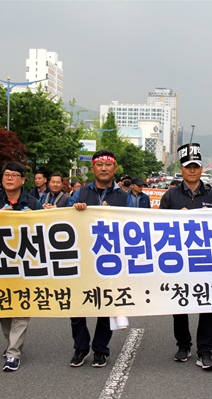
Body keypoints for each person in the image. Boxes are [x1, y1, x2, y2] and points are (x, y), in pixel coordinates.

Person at [159, 142, 212, 371]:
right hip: (179, 260)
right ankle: (183, 345)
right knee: (180, 302)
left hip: (206, 260)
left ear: (202, 168)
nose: (192, 170)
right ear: (181, 169)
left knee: (207, 305)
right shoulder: (171, 196)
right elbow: (157, 226)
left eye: (196, 166)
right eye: (188, 166)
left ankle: (205, 351)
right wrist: (177, 219)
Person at [66, 150, 128, 368]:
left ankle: (101, 349)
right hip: (81, 258)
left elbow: (132, 226)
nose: (103, 168)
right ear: (92, 168)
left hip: (110, 260)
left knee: (105, 304)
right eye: (99, 164)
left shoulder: (123, 197)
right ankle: (80, 348)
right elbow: (63, 220)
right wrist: (74, 210)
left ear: (115, 169)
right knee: (77, 305)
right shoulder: (80, 194)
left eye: (108, 165)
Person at [0, 162, 43, 372]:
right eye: (6, 174)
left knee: (20, 308)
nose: (9, 178)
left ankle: (13, 353)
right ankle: (12, 342)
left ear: (22, 180)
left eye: (14, 175)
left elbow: (42, 233)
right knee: (4, 306)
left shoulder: (33, 202)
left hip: (24, 263)